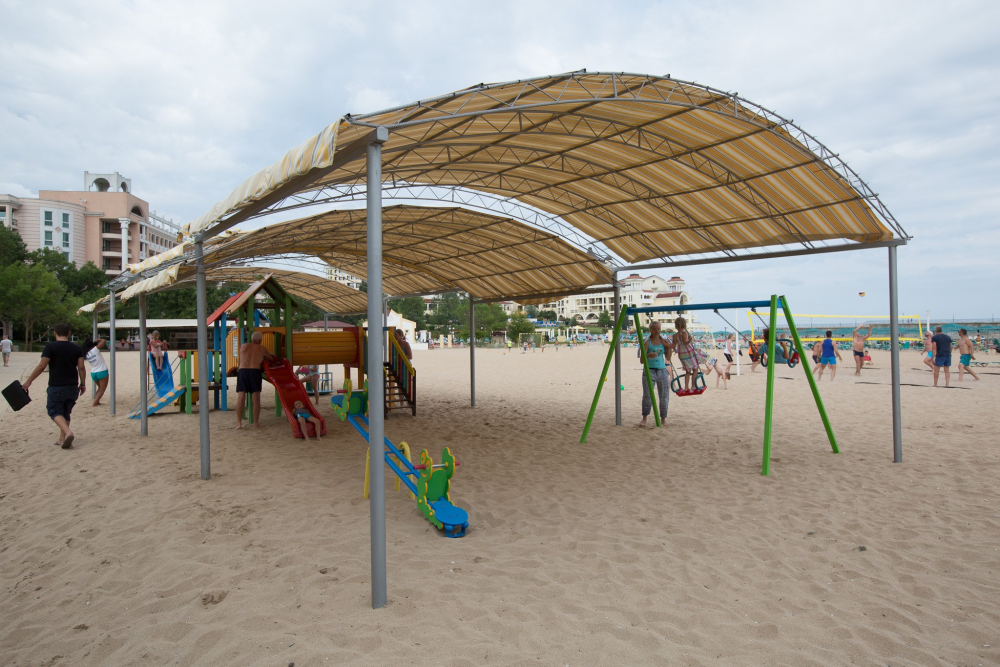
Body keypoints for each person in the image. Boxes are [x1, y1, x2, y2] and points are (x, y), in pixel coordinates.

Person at [21, 323, 85, 449]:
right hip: (73, 386)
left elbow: (42, 366)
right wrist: (83, 384)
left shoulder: (50, 347)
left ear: (54, 333)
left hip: (57, 386)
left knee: (54, 411)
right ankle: (62, 439)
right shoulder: (76, 348)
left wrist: (29, 381)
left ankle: (68, 432)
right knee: (66, 412)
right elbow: (81, 367)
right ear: (69, 333)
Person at [236, 331, 277, 429]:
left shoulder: (243, 346)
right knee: (256, 398)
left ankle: (239, 424)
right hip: (255, 371)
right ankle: (255, 423)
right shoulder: (262, 348)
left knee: (241, 397)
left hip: (243, 371)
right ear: (260, 340)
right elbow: (271, 359)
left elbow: (239, 361)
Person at [638, 320, 671, 427]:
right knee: (647, 395)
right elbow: (641, 360)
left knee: (664, 395)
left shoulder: (663, 340)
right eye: (655, 329)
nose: (657, 331)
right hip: (649, 370)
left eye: (659, 328)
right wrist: (648, 355)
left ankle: (663, 418)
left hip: (662, 370)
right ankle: (644, 417)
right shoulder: (647, 342)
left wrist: (668, 347)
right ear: (651, 330)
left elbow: (668, 357)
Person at [673, 316, 700, 392]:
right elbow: (685, 342)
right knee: (695, 369)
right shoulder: (684, 333)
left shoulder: (675, 335)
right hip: (688, 353)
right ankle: (693, 386)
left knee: (688, 371)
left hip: (681, 354)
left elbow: (674, 344)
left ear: (676, 326)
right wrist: (689, 340)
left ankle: (686, 387)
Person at [81, 338, 110, 406]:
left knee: (100, 388)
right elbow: (104, 341)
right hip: (102, 371)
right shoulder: (94, 350)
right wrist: (98, 340)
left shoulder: (87, 354)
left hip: (94, 372)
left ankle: (97, 401)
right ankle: (95, 403)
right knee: (102, 389)